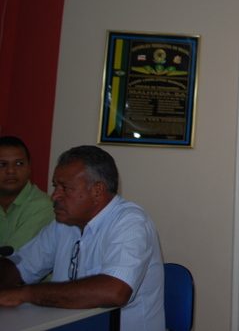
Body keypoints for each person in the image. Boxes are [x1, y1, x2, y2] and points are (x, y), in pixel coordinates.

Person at [0, 145, 164, 331]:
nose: (54, 196)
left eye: (65, 188)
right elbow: (21, 266)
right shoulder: (64, 223)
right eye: (55, 186)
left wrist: (26, 294)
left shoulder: (131, 222)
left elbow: (114, 292)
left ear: (97, 191)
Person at [0, 136, 54, 252]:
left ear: (29, 167)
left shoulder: (43, 206)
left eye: (19, 163)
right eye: (2, 164)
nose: (11, 171)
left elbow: (11, 256)